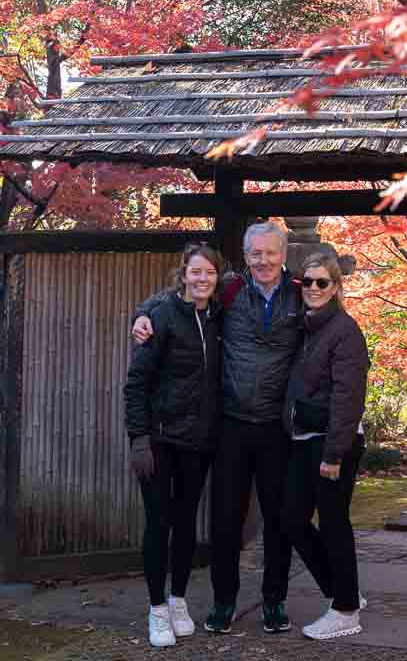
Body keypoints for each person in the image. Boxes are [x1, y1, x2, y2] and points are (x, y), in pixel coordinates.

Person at [132, 221, 300, 636]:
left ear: (283, 254)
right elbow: (179, 295)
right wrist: (141, 314)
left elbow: (332, 311)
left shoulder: (300, 293)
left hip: (277, 425)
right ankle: (224, 602)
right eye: (255, 253)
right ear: (245, 255)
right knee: (225, 520)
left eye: (270, 253)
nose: (263, 260)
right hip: (231, 425)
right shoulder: (229, 290)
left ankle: (274, 601)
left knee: (278, 518)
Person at [124, 242, 224, 649]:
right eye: (195, 272)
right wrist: (139, 439)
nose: (202, 279)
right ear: (183, 274)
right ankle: (156, 610)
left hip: (197, 443)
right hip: (160, 440)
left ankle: (179, 600)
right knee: (159, 522)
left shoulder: (219, 315)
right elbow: (136, 384)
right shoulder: (162, 316)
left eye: (210, 273)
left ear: (218, 278)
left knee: (186, 524)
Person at [281, 252, 369, 640]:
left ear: (336, 286)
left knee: (333, 523)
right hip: (305, 438)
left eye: (322, 282)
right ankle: (342, 591)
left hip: (334, 443)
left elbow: (348, 397)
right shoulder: (307, 327)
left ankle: (346, 611)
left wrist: (334, 453)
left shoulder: (344, 330)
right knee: (291, 520)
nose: (313, 289)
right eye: (307, 282)